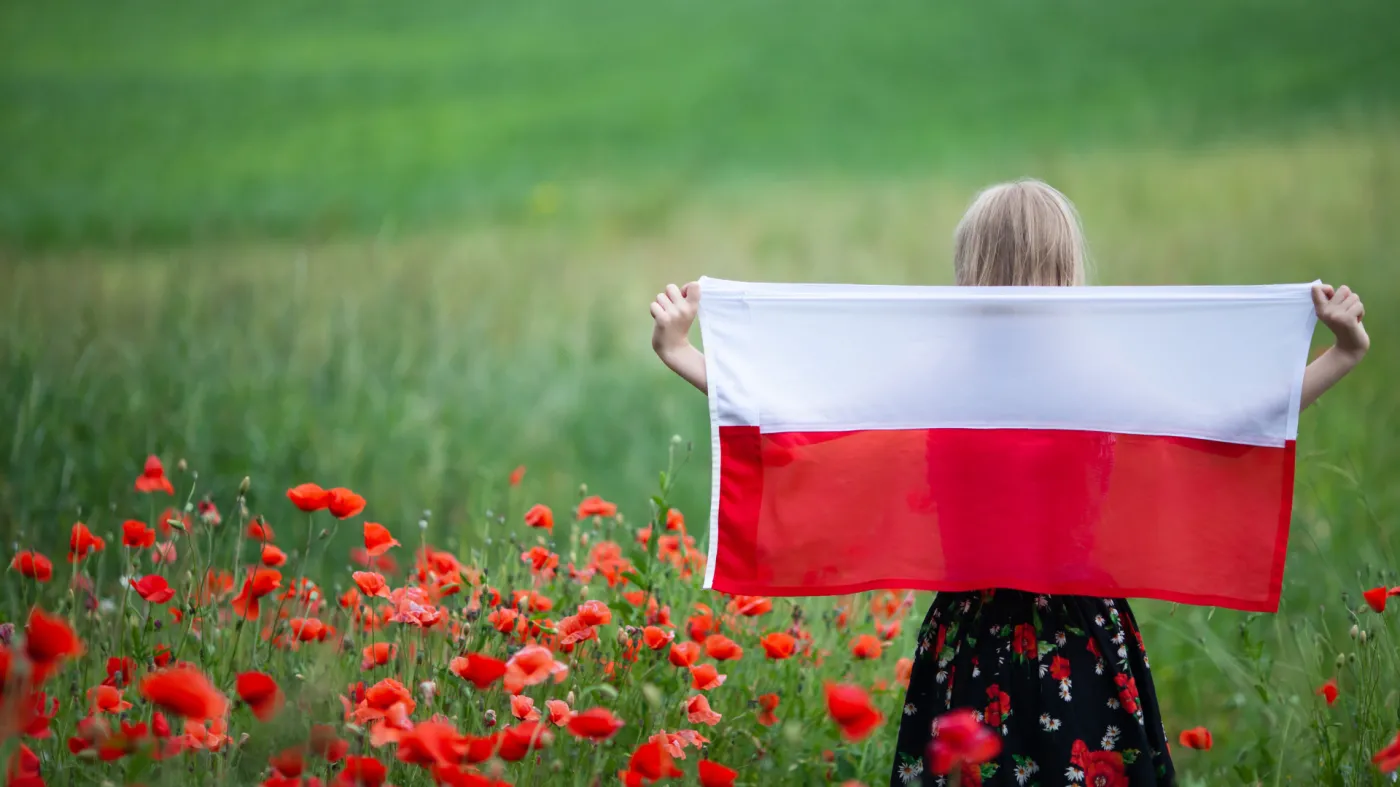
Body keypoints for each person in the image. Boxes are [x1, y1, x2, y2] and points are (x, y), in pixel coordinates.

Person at [647, 179, 1369, 786]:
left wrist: (682, 352)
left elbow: (802, 420)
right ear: (1065, 263)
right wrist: (1339, 354)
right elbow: (1227, 429)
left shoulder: (939, 374)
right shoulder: (1099, 374)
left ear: (973, 266)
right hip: (1083, 644)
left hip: (969, 642)